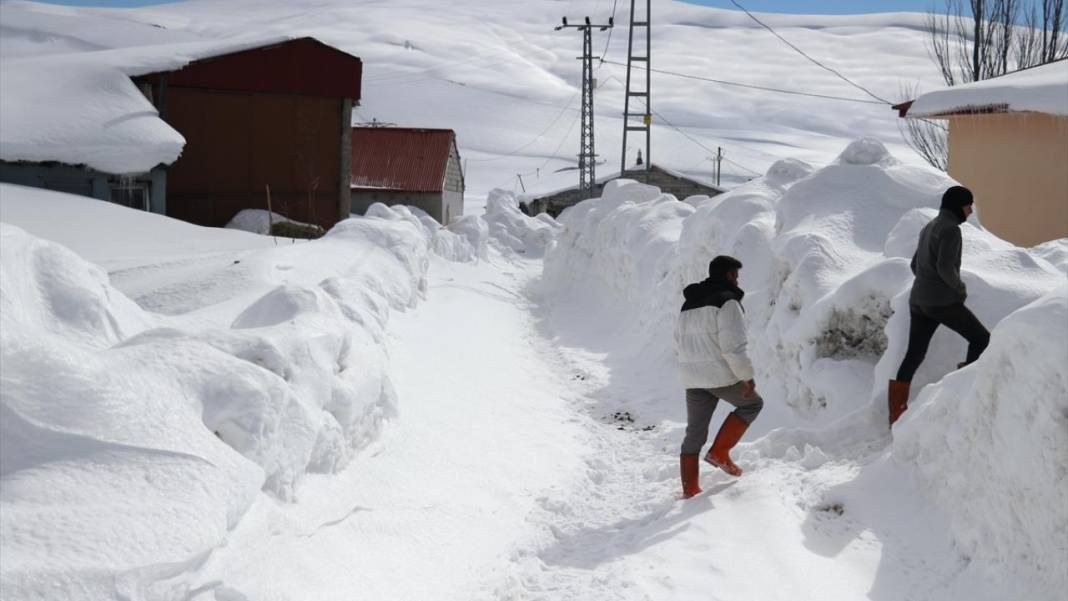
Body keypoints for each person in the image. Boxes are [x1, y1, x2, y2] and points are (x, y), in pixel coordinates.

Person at [888, 185, 990, 427]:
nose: (971, 211)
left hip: (919, 301)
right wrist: (959, 288)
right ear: (958, 205)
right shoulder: (951, 230)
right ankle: (962, 395)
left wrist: (927, 282)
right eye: (968, 205)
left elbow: (915, 265)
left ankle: (896, 415)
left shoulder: (929, 226)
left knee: (914, 355)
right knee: (981, 339)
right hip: (942, 302)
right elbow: (946, 267)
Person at [675, 255, 764, 499]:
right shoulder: (728, 302)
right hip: (720, 376)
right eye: (735, 275)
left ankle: (689, 490)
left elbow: (678, 341)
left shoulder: (688, 304)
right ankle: (720, 453)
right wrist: (746, 376)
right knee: (753, 404)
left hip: (692, 377)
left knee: (694, 432)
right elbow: (733, 347)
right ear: (727, 275)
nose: (737, 280)